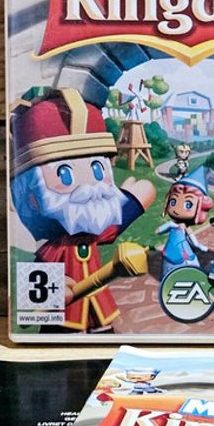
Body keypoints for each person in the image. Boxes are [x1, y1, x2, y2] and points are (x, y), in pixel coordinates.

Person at [10, 86, 154, 332]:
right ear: (32, 198)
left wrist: (132, 198)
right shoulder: (54, 248)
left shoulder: (93, 229)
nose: (89, 187)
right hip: (65, 323)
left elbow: (115, 221)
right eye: (64, 175)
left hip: (99, 315)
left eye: (97, 170)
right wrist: (54, 293)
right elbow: (31, 307)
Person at [156, 167, 212, 279]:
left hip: (184, 251)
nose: (177, 209)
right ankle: (169, 278)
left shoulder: (185, 227)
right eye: (173, 202)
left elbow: (193, 240)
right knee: (169, 266)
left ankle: (191, 276)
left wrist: (198, 246)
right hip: (171, 249)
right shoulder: (172, 225)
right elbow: (163, 228)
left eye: (188, 204)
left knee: (188, 264)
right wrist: (160, 230)